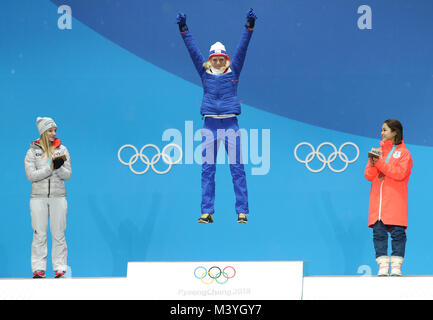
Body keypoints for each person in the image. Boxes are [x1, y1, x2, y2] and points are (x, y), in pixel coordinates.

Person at [176, 9, 257, 224]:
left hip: (231, 124)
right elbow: (193, 51)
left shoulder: (234, 72)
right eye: (215, 59)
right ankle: (207, 212)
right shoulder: (204, 74)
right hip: (210, 124)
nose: (219, 62)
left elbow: (242, 48)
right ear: (210, 60)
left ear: (226, 60)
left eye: (222, 59)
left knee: (237, 169)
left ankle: (242, 211)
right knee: (207, 170)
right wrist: (184, 31)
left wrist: (249, 27)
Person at [24, 117, 72, 278]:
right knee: (39, 233)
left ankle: (60, 268)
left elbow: (68, 174)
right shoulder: (32, 152)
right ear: (43, 132)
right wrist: (50, 168)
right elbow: (31, 176)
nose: (54, 133)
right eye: (50, 130)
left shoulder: (62, 150)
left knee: (59, 233)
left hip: (59, 197)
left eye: (55, 130)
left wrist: (58, 169)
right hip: (38, 198)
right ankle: (39, 269)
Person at [365, 119, 413, 276]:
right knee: (378, 234)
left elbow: (399, 174)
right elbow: (368, 175)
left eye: (385, 130)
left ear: (395, 132)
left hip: (395, 202)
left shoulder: (404, 153)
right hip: (377, 204)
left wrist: (380, 165)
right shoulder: (376, 151)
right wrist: (374, 163)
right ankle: (383, 266)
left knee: (397, 233)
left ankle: (397, 266)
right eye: (381, 130)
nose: (382, 133)